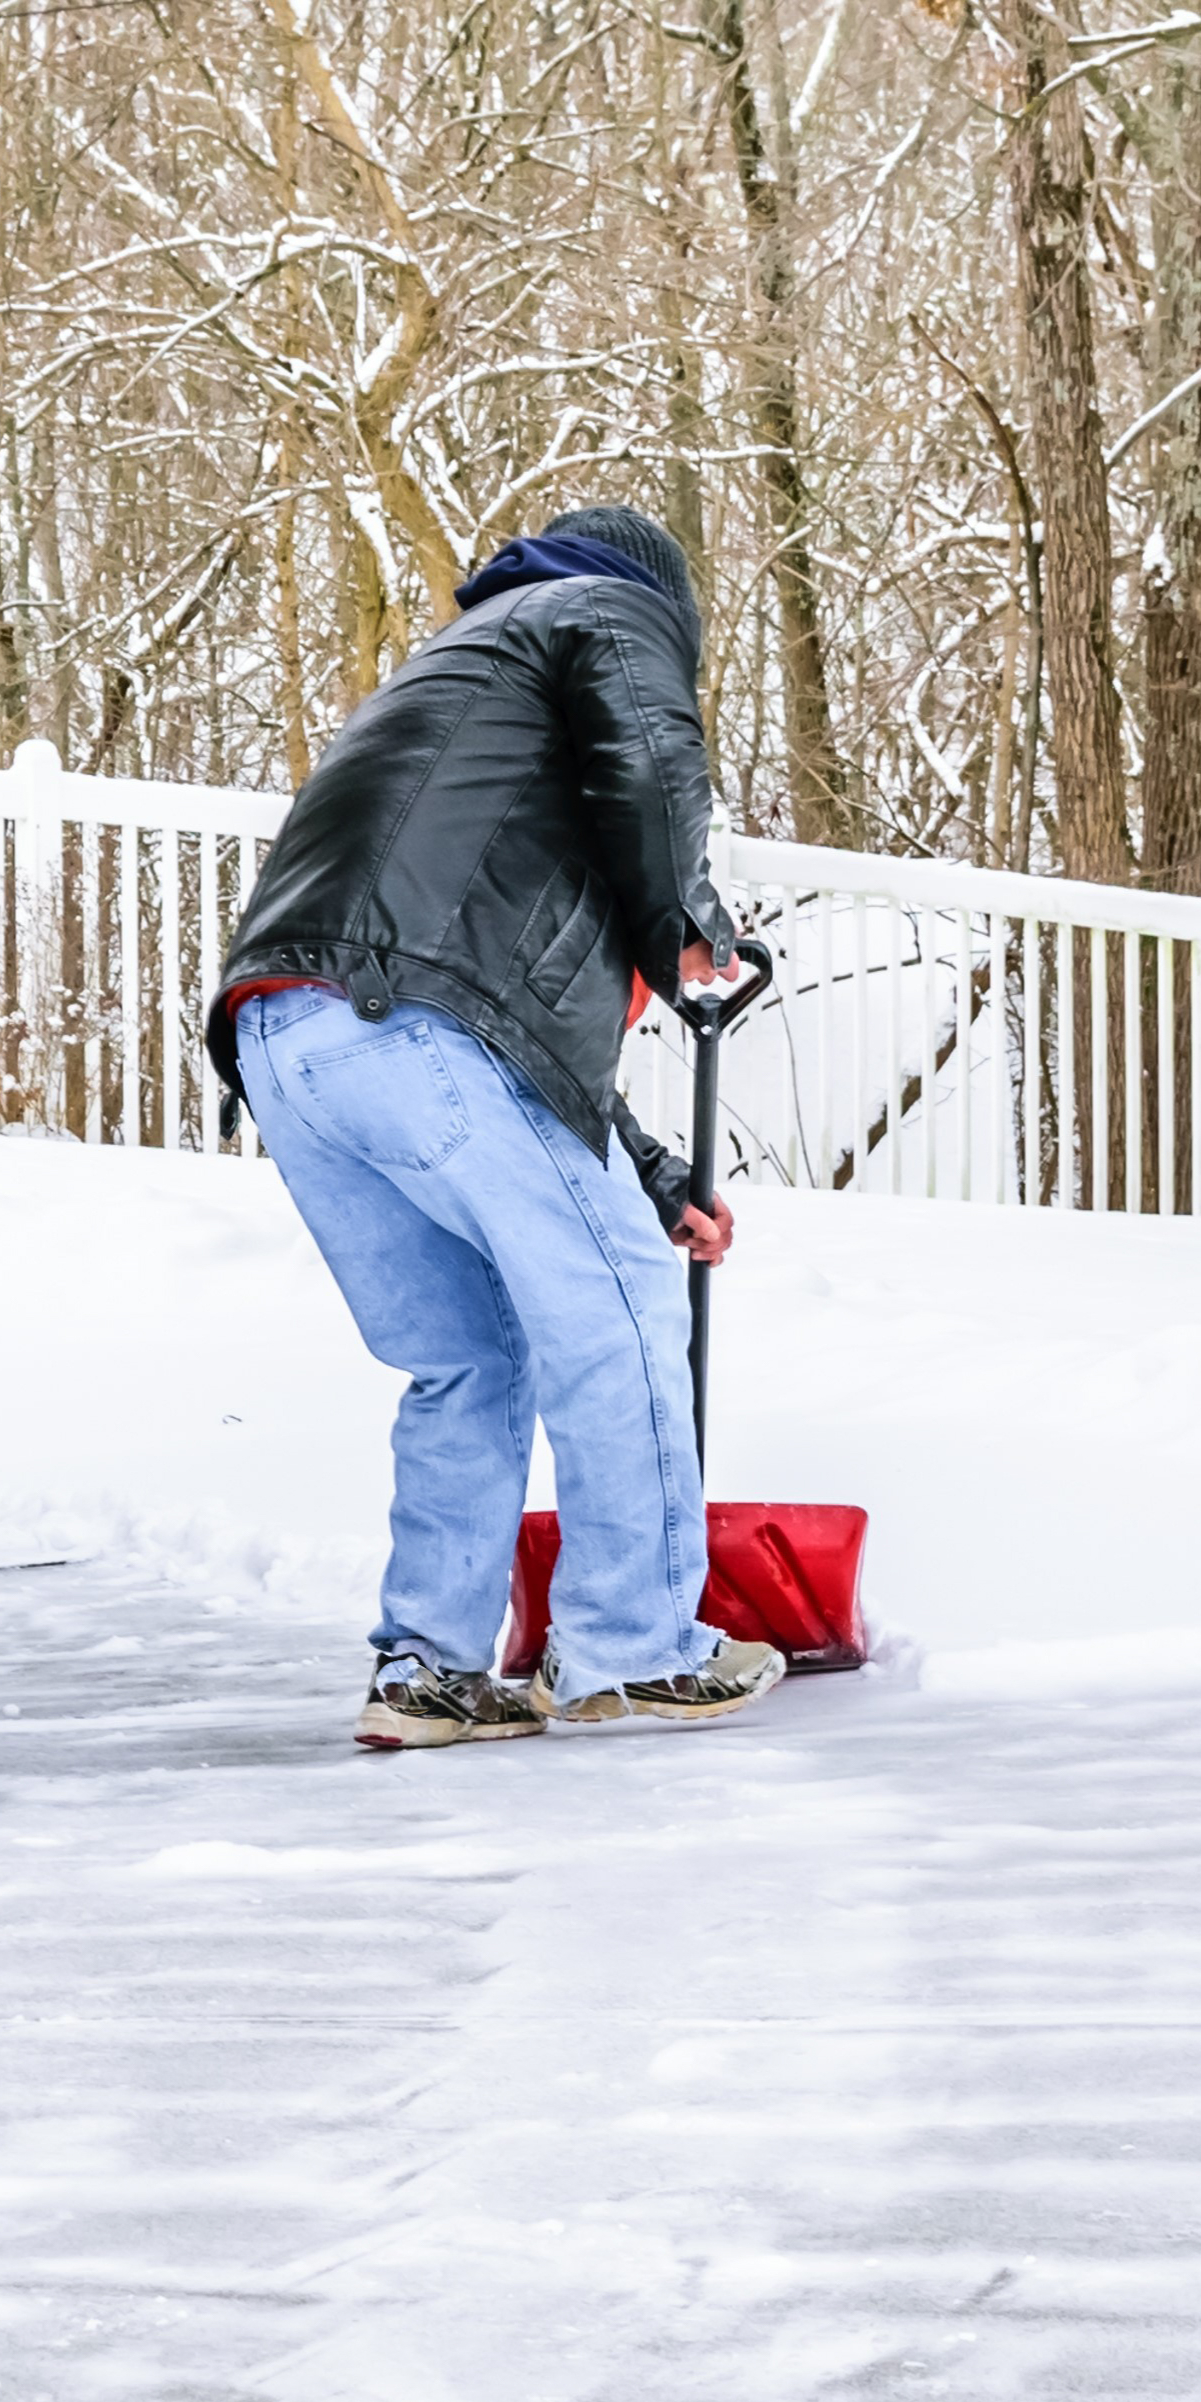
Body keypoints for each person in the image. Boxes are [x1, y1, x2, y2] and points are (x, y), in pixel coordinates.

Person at [206, 504, 781, 1753]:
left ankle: (431, 1671)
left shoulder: (459, 688)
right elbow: (649, 758)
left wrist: (653, 1169)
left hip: (289, 1040)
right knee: (621, 1295)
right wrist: (690, 914)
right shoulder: (603, 608)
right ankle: (635, 1648)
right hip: (413, 1026)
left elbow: (500, 1027)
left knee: (471, 1353)